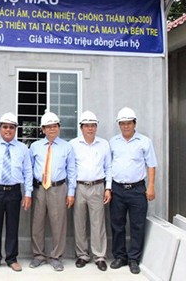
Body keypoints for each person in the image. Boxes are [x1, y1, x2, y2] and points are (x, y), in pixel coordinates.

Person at [0, 112, 33, 272]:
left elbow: (28, 172)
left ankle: (11, 258)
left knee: (12, 226)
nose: (8, 130)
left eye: (11, 127)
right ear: (0, 128)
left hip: (14, 191)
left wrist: (28, 193)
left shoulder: (23, 148)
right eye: (5, 127)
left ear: (15, 129)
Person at [109, 107, 157, 275]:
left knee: (137, 225)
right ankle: (120, 256)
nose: (125, 126)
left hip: (137, 190)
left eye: (128, 123)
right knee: (117, 224)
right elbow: (109, 166)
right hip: (117, 189)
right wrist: (109, 188)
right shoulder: (113, 142)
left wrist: (151, 186)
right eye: (122, 123)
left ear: (134, 124)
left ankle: (134, 258)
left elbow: (151, 164)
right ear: (119, 125)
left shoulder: (144, 142)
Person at [29, 111, 76, 272]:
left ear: (59, 128)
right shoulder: (35, 147)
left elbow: (72, 171)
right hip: (39, 189)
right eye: (48, 127)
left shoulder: (67, 147)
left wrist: (71, 192)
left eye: (55, 126)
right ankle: (38, 255)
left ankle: (56, 256)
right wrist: (28, 192)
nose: (52, 130)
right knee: (37, 223)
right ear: (43, 129)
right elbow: (28, 170)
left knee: (59, 224)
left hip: (59, 188)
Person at [69, 111, 112, 272]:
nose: (90, 128)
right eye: (87, 125)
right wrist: (71, 192)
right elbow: (71, 170)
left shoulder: (104, 144)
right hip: (79, 186)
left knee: (98, 222)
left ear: (96, 127)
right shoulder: (73, 144)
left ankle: (99, 256)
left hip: (97, 186)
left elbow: (109, 167)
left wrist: (108, 188)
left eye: (93, 125)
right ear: (81, 127)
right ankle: (82, 255)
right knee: (79, 222)